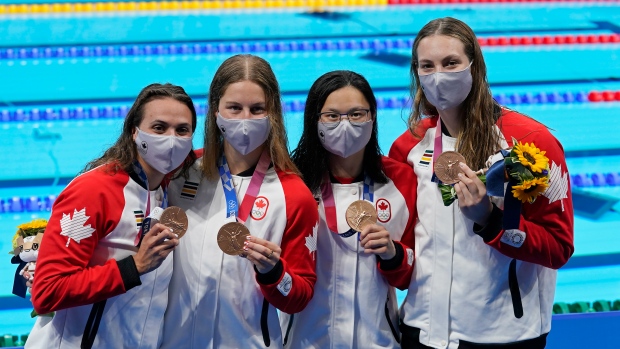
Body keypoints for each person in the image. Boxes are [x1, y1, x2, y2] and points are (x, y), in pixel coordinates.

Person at [389, 17, 574, 348]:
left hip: (502, 334)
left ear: (475, 65)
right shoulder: (408, 146)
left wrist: (491, 221)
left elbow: (559, 247)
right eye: (426, 66)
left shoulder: (531, 144)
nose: (438, 76)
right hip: (420, 327)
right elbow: (408, 247)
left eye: (451, 63)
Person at [161, 54, 319, 349]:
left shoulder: (294, 195)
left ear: (273, 113)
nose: (245, 120)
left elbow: (300, 296)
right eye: (234, 108)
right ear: (215, 111)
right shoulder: (180, 173)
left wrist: (274, 272)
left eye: (257, 109)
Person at [26, 83, 197, 349]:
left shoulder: (166, 187)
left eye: (182, 130)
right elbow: (48, 291)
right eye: (159, 128)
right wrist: (134, 267)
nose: (171, 139)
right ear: (134, 132)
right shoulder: (94, 191)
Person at [283, 70, 416, 348]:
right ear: (314, 121)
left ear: (373, 118)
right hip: (305, 341)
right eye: (332, 115)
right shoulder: (293, 185)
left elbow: (413, 276)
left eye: (357, 114)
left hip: (378, 340)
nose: (345, 124)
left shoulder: (402, 181)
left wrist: (394, 254)